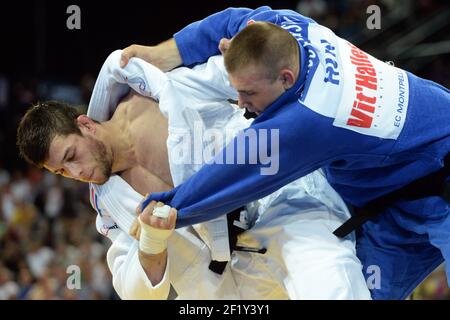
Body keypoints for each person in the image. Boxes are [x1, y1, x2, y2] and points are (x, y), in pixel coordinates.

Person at [119, 6, 450, 299]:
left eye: (249, 93)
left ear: (286, 78)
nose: (243, 104)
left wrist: (164, 209)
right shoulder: (286, 25)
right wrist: (166, 53)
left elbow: (233, 173)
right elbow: (231, 20)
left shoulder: (309, 118)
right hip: (393, 200)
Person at [16, 50, 371, 299]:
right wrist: (151, 248)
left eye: (71, 156)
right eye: (61, 171)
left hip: (280, 207)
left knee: (330, 283)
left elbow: (239, 71)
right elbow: (134, 292)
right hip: (226, 287)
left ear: (86, 125)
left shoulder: (158, 92)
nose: (77, 173)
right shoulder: (110, 205)